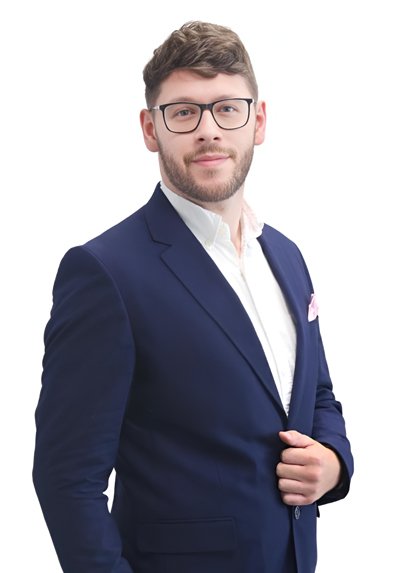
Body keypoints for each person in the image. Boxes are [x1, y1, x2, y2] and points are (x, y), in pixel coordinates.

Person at [33, 20, 353, 573]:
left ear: (258, 121)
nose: (208, 131)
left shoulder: (286, 256)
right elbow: (67, 479)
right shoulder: (105, 273)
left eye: (227, 108)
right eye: (183, 112)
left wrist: (334, 462)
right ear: (150, 129)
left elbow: (317, 394)